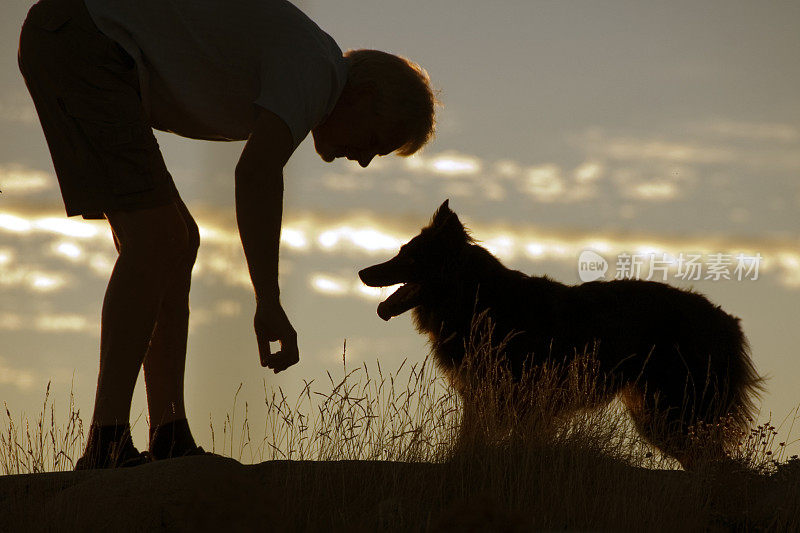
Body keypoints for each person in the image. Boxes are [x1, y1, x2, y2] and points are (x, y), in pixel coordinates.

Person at [18, 0, 437, 469]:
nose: (364, 160)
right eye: (378, 142)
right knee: (156, 241)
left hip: (86, 43)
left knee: (178, 242)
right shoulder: (318, 73)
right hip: (82, 40)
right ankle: (107, 443)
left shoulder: (309, 65)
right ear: (367, 94)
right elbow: (256, 176)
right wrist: (270, 304)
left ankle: (169, 433)